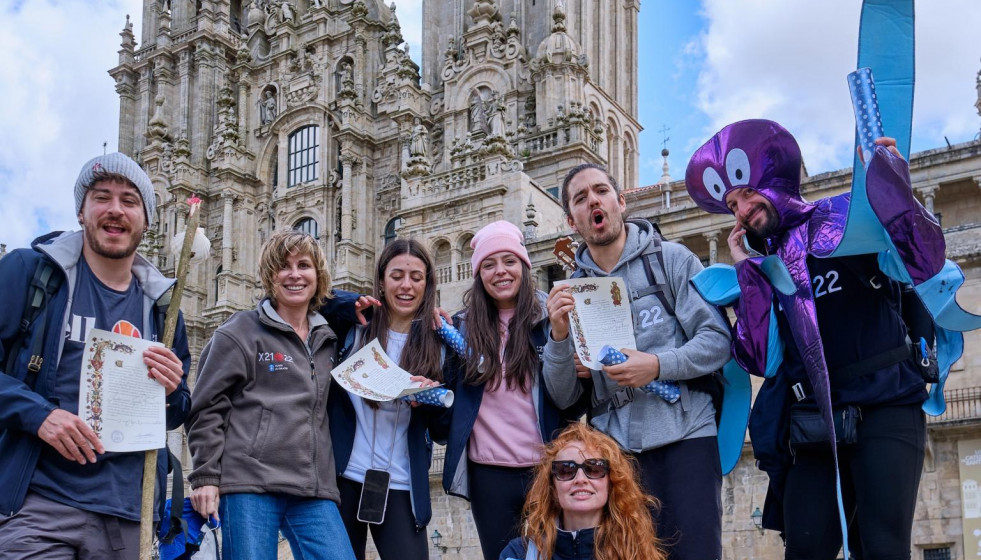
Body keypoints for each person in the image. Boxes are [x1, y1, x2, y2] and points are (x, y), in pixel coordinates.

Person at [685, 120, 931, 559]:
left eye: (746, 192)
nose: (741, 209)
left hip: (887, 405)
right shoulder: (765, 264)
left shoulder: (844, 213)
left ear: (772, 174)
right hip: (813, 424)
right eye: (732, 204)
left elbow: (924, 261)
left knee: (883, 548)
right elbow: (761, 358)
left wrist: (892, 188)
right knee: (804, 549)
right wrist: (747, 270)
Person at [0, 152, 191, 559]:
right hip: (38, 509)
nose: (115, 209)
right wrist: (39, 416)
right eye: (102, 196)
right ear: (82, 211)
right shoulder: (30, 273)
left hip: (128, 518)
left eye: (130, 200)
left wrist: (172, 390)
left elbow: (176, 412)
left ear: (146, 218)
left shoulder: (163, 307)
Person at [543, 163, 731, 560]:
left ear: (620, 201)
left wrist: (656, 365)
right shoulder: (573, 291)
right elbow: (562, 396)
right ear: (572, 221)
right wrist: (558, 337)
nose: (593, 200)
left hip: (686, 435)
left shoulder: (672, 260)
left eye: (601, 191)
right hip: (615, 450)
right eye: (580, 198)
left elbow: (717, 341)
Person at [186, 231, 356, 560]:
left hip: (313, 488)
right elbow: (206, 407)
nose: (294, 274)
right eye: (283, 266)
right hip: (250, 485)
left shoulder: (328, 339)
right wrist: (205, 476)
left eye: (304, 265)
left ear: (318, 275)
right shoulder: (240, 332)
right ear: (269, 276)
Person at [442, 220, 586, 560]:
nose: (500, 272)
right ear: (478, 275)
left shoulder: (550, 318)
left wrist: (561, 339)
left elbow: (568, 399)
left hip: (545, 469)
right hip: (488, 474)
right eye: (488, 265)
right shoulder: (460, 328)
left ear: (524, 266)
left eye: (509, 261)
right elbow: (450, 405)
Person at [328, 239, 446, 560]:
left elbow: (444, 430)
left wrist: (430, 401)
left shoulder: (439, 341)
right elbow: (314, 298)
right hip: (342, 478)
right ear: (381, 280)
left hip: (400, 484)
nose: (406, 285)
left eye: (416, 277)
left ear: (427, 284)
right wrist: (352, 302)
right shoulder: (354, 329)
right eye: (396, 275)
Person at [499, 423, 667, 560]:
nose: (580, 479)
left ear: (611, 484)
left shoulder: (636, 552)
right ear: (553, 490)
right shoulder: (520, 554)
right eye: (566, 470)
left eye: (594, 468)